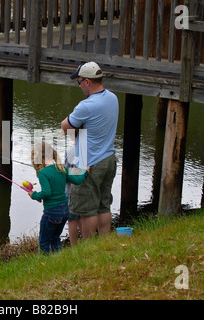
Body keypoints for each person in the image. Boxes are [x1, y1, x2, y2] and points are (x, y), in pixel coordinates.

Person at [61, 61, 119, 239]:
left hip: (88, 162)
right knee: (103, 205)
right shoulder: (112, 98)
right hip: (109, 159)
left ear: (87, 82)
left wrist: (77, 126)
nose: (79, 86)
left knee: (87, 210)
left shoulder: (86, 106)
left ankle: (88, 248)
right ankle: (104, 243)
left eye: (79, 82)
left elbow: (65, 127)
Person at [28, 142, 88, 254]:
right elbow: (77, 180)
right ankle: (58, 259)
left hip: (51, 212)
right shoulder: (62, 168)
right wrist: (84, 172)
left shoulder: (43, 173)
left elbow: (46, 192)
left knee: (44, 241)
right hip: (65, 211)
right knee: (55, 238)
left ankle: (43, 264)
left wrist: (34, 195)